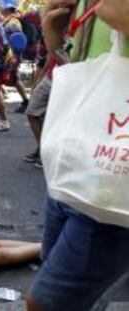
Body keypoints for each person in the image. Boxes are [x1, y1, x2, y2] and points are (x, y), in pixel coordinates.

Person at [26, 1, 129, 310]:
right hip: (74, 164)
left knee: (45, 303)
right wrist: (55, 35)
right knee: (72, 290)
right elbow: (84, 68)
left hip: (112, 181)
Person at [0, 0, 29, 114]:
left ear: (7, 9)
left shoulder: (13, 23)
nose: (0, 8)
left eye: (2, 7)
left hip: (11, 57)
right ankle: (25, 101)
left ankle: (26, 101)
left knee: (11, 79)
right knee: (11, 79)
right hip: (8, 56)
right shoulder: (8, 21)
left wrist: (14, 57)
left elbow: (18, 41)